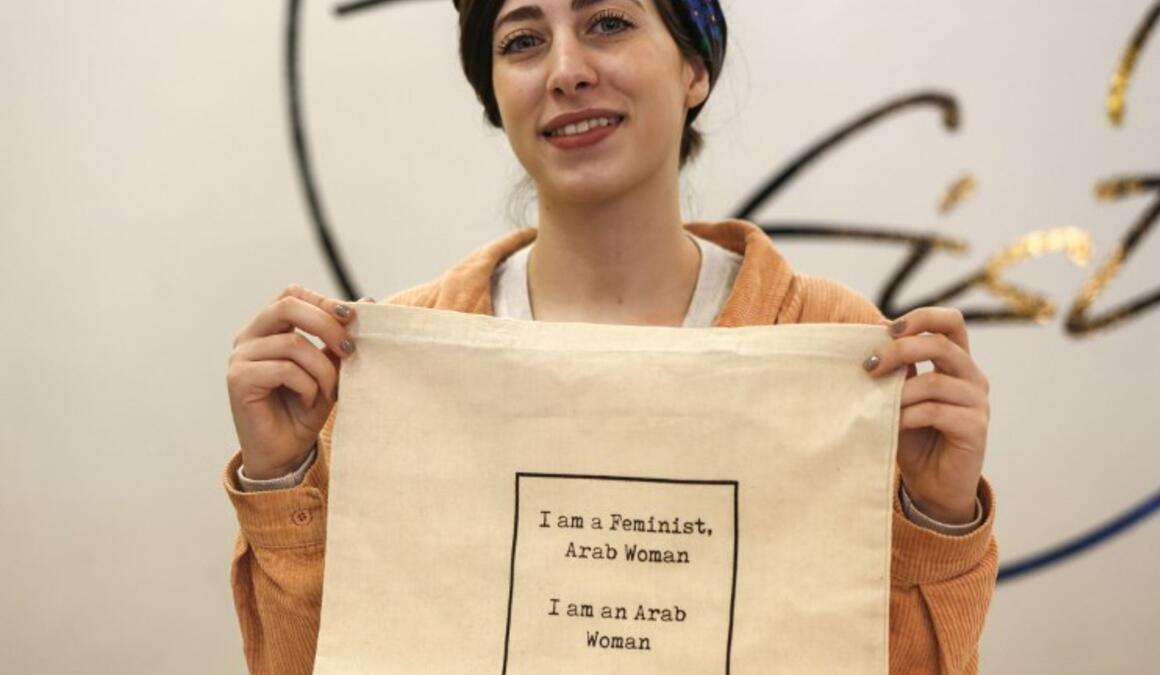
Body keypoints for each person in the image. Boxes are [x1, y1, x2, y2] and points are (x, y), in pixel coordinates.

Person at [224, 1, 997, 673]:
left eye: (609, 23)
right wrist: (281, 478)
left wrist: (936, 518)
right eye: (523, 40)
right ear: (494, 94)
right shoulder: (378, 374)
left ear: (695, 68)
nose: (566, 69)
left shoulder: (838, 345)